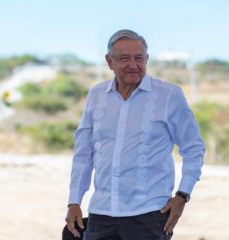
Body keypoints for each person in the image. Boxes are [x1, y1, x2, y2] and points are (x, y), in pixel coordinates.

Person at [65, 29, 205, 240]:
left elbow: (193, 148)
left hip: (150, 215)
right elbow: (83, 154)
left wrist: (182, 196)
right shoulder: (96, 96)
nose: (133, 65)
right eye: (124, 59)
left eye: (139, 58)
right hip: (102, 213)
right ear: (109, 62)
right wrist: (74, 201)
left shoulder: (169, 95)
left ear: (146, 59)